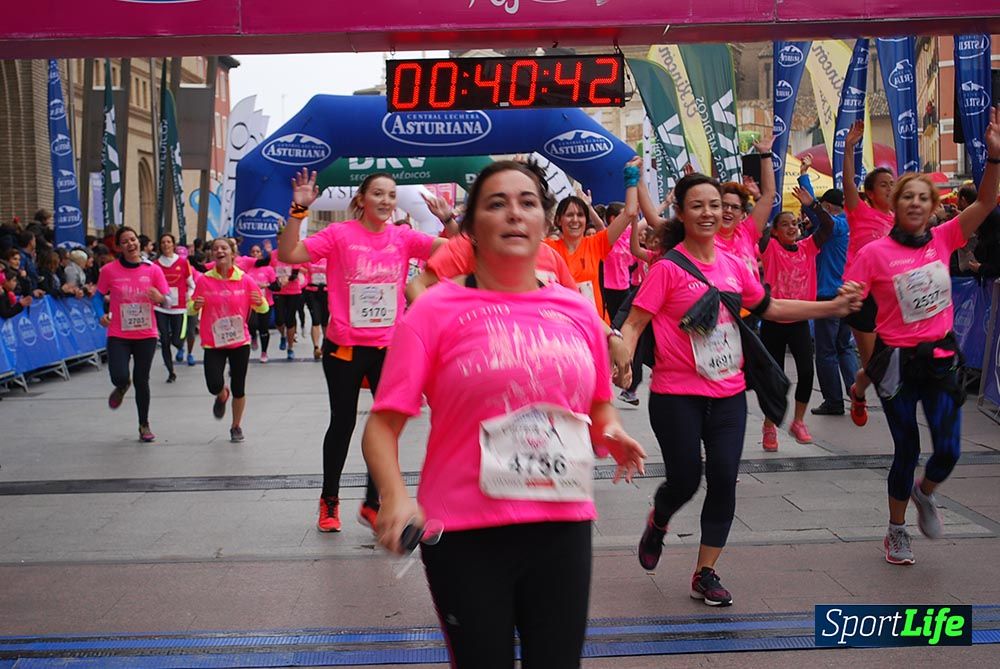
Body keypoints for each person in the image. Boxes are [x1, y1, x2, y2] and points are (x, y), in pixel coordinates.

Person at [362, 160, 645, 668]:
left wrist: (614, 431)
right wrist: (395, 498)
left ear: (546, 222)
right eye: (497, 203)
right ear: (470, 227)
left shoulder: (577, 310)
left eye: (528, 202)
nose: (514, 213)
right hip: (465, 533)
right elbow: (383, 425)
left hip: (562, 524)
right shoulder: (432, 311)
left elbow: (599, 401)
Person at [617, 172, 861, 606]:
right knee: (686, 479)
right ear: (682, 213)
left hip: (729, 393)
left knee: (725, 480)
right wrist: (624, 361)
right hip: (676, 394)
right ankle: (659, 519)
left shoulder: (733, 265)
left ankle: (705, 572)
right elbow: (634, 322)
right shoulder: (668, 268)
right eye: (698, 205)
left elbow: (773, 306)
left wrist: (833, 306)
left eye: (716, 205)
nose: (710, 212)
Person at [844, 110, 1000, 565]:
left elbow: (987, 202)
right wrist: (850, 303)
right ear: (894, 205)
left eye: (921, 198)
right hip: (895, 361)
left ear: (933, 207)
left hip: (941, 356)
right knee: (907, 447)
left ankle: (924, 491)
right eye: (905, 196)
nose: (913, 203)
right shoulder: (874, 252)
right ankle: (895, 530)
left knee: (948, 450)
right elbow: (854, 302)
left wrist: (993, 156)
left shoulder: (945, 237)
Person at [278, 169, 446, 533]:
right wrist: (298, 210)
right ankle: (329, 501)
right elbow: (290, 252)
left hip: (389, 347)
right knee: (343, 423)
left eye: (391, 195)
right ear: (361, 200)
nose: (386, 201)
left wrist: (448, 220)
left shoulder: (402, 237)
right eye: (378, 194)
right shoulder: (340, 235)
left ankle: (373, 503)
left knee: (386, 426)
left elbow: (455, 250)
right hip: (345, 347)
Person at [757, 198, 835, 450]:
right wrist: (760, 199)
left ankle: (798, 422)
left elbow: (827, 226)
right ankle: (770, 425)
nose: (792, 227)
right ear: (775, 231)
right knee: (774, 378)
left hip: (799, 320)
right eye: (785, 225)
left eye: (794, 223)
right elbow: (756, 230)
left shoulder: (808, 248)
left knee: (806, 372)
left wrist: (811, 204)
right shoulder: (770, 249)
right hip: (773, 320)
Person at [188, 237, 269, 443]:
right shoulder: (204, 280)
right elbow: (189, 309)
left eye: (224, 248)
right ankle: (221, 394)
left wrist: (260, 303)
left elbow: (263, 308)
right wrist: (195, 306)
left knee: (239, 387)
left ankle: (236, 426)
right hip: (213, 342)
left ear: (233, 253)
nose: (219, 251)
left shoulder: (245, 279)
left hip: (239, 341)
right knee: (213, 384)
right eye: (215, 249)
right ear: (212, 255)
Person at [842, 120, 895, 426]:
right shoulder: (859, 211)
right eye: (884, 185)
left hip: (891, 297)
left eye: (893, 184)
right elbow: (849, 183)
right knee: (875, 363)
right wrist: (850, 147)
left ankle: (898, 424)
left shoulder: (901, 221)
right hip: (862, 295)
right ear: (871, 193)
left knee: (892, 364)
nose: (890, 188)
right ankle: (859, 390)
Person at [796, 157, 859, 416]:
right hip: (846, 292)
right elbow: (815, 212)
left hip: (828, 295)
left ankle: (833, 401)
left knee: (825, 352)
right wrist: (804, 176)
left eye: (823, 206)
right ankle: (857, 394)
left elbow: (815, 212)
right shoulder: (850, 225)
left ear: (830, 207)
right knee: (844, 347)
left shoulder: (834, 225)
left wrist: (808, 189)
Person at [97, 226, 171, 443]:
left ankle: (144, 424)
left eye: (133, 239)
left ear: (139, 242)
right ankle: (121, 385)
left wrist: (159, 297)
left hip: (146, 334)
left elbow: (168, 300)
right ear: (119, 247)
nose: (131, 244)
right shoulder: (109, 270)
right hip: (119, 333)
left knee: (142, 379)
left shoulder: (153, 270)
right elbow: (96, 297)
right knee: (119, 375)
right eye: (125, 241)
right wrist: (100, 315)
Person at [541, 177, 636, 322]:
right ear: (558, 220)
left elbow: (629, 212)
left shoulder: (597, 244)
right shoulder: (548, 248)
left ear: (586, 220)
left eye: (580, 215)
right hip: (561, 326)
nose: (575, 220)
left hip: (596, 327)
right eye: (569, 215)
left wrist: (632, 175)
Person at [154, 233, 193, 383]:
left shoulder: (183, 263)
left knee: (177, 339)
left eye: (168, 242)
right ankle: (171, 371)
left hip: (179, 308)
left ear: (173, 245)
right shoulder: (156, 264)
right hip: (161, 307)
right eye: (163, 242)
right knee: (164, 340)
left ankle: (179, 346)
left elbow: (192, 285)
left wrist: (189, 294)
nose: (166, 245)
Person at [242, 244, 277, 363]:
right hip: (250, 303)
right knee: (251, 324)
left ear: (261, 254)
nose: (255, 254)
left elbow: (275, 286)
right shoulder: (247, 268)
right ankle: (253, 336)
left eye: (258, 251)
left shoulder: (268, 269)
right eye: (253, 252)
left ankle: (264, 352)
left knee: (263, 328)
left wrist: (265, 285)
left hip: (266, 302)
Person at [304, 257, 329, 360]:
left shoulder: (328, 258)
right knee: (316, 320)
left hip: (326, 291)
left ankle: (325, 342)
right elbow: (300, 269)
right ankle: (316, 347)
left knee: (325, 321)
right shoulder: (308, 258)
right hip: (312, 292)